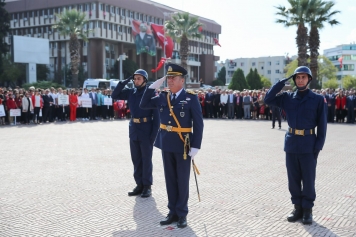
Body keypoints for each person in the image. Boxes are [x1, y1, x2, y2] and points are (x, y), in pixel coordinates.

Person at [140, 63, 204, 228]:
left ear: (182, 80)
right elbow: (144, 103)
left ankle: (182, 213)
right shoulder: (163, 96)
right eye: (168, 78)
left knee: (182, 180)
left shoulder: (191, 97)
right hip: (166, 142)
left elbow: (198, 124)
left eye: (172, 78)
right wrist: (155, 84)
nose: (169, 81)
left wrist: (196, 145)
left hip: (183, 144)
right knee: (170, 180)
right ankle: (172, 213)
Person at [264, 66, 327, 225]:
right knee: (293, 179)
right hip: (291, 143)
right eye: (297, 77)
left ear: (309, 79)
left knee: (308, 178)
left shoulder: (318, 99)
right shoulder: (287, 97)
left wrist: (318, 146)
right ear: (294, 79)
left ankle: (307, 210)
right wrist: (281, 82)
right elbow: (268, 98)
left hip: (308, 144)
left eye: (303, 77)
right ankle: (297, 207)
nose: (300, 80)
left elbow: (322, 125)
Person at [112, 69, 159, 198]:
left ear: (145, 80)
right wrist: (123, 82)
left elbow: (157, 117)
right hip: (134, 129)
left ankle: (147, 186)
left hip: (147, 130)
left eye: (139, 78)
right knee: (136, 159)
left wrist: (153, 135)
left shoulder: (150, 93)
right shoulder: (131, 92)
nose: (136, 81)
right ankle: (139, 185)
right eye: (135, 78)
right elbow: (114, 95)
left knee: (146, 159)